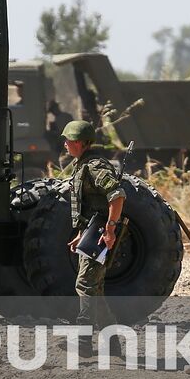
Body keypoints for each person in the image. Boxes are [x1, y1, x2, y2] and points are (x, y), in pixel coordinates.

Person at [61, 120, 125, 354]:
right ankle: (112, 343)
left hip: (99, 235)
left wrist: (110, 230)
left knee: (85, 285)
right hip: (92, 234)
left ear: (78, 142)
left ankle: (83, 343)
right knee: (95, 289)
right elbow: (91, 205)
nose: (65, 144)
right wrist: (81, 234)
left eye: (68, 140)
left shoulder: (95, 166)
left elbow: (117, 196)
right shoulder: (83, 165)